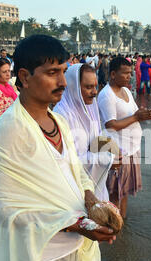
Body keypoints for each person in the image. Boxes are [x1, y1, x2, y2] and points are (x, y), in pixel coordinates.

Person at [0, 35, 116, 261]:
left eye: (64, 72)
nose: (63, 82)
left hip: (74, 249)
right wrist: (73, 224)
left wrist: (91, 200)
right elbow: (2, 207)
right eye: (52, 73)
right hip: (40, 254)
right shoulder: (9, 130)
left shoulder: (58, 121)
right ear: (24, 76)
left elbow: (75, 171)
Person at [98, 57, 151, 219]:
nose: (129, 76)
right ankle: (113, 227)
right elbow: (111, 125)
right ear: (112, 74)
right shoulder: (107, 95)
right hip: (117, 150)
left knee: (124, 191)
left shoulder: (126, 91)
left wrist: (144, 113)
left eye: (130, 73)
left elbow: (133, 113)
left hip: (131, 149)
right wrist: (137, 117)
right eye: (125, 73)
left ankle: (121, 221)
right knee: (115, 193)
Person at [54, 63, 115, 201]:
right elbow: (65, 163)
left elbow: (95, 139)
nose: (94, 92)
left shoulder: (91, 108)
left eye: (95, 86)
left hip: (96, 186)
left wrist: (113, 148)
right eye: (88, 87)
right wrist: (108, 159)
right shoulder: (62, 114)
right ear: (73, 87)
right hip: (74, 193)